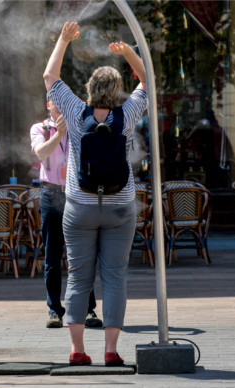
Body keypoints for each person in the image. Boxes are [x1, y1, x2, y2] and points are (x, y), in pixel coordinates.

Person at [43, 22, 148, 366]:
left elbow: (49, 77)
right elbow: (149, 83)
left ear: (88, 88)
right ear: (119, 91)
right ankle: (111, 351)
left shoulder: (75, 111)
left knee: (78, 275)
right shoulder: (128, 113)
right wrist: (129, 52)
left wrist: (63, 39)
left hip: (80, 207)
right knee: (115, 277)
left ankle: (76, 350)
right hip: (120, 206)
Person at [30, 99, 102, 329]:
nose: (61, 107)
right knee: (52, 257)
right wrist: (59, 134)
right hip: (51, 195)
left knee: (83, 255)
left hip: (77, 195)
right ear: (48, 104)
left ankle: (88, 309)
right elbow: (41, 153)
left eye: (64, 103)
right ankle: (54, 310)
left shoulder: (80, 128)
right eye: (56, 103)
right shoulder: (40, 128)